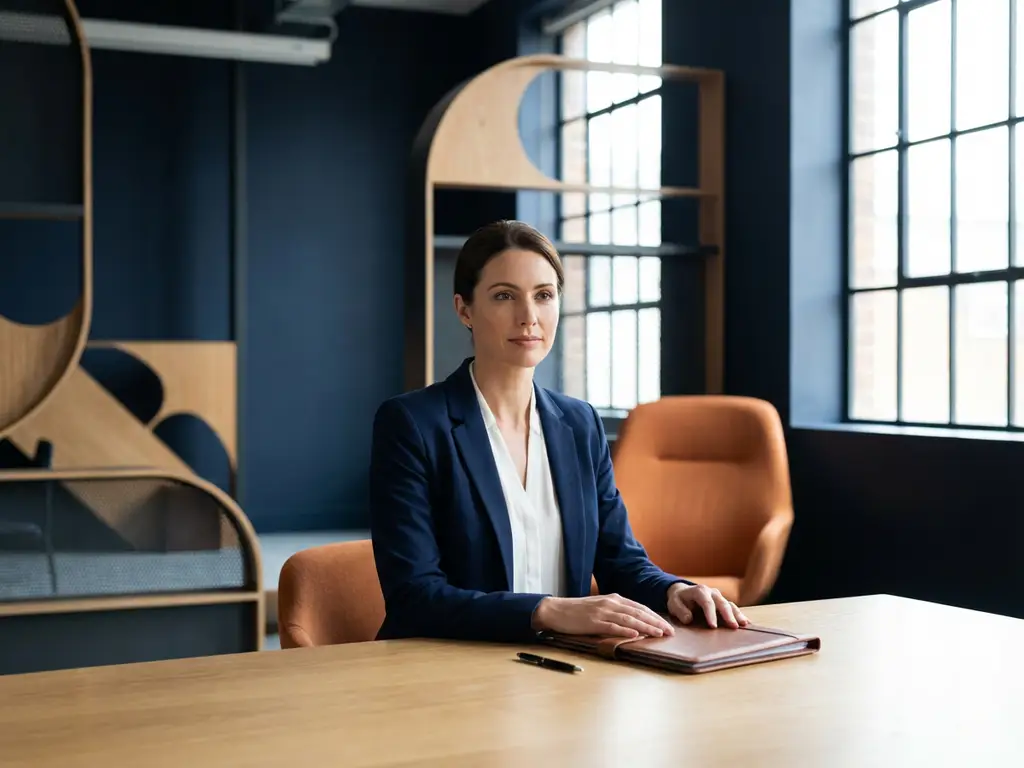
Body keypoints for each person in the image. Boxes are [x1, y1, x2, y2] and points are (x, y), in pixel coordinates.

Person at [369, 220, 749, 643]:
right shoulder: (413, 423)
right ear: (464, 309)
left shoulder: (579, 424)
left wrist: (675, 589)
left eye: (544, 296)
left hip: (562, 672)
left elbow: (619, 560)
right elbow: (414, 596)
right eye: (504, 296)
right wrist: (547, 610)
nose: (528, 317)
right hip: (446, 672)